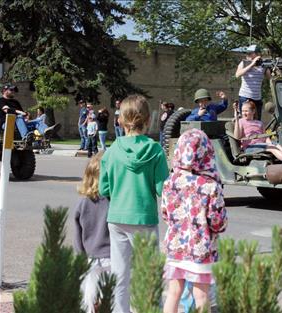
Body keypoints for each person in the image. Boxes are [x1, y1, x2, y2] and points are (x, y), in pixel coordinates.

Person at [99, 94, 169, 313]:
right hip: (144, 218)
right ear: (148, 120)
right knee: (148, 273)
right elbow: (162, 188)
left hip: (117, 217)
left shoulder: (111, 151)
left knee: (120, 275)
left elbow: (103, 189)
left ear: (121, 120)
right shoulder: (155, 150)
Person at [161, 128, 227, 313]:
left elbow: (165, 214)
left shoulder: (170, 182)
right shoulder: (210, 186)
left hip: (175, 247)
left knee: (173, 293)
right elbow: (218, 222)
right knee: (201, 296)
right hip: (201, 250)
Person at [73, 152, 110, 313]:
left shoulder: (83, 204)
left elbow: (77, 235)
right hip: (112, 255)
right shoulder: (113, 201)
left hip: (90, 256)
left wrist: (80, 256)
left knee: (88, 296)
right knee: (114, 296)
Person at [235, 44, 271, 120]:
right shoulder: (244, 63)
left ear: (258, 54)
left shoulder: (263, 65)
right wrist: (252, 64)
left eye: (250, 53)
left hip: (257, 98)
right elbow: (237, 75)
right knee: (244, 120)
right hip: (245, 96)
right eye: (247, 53)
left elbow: (270, 78)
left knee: (257, 120)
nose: (248, 55)